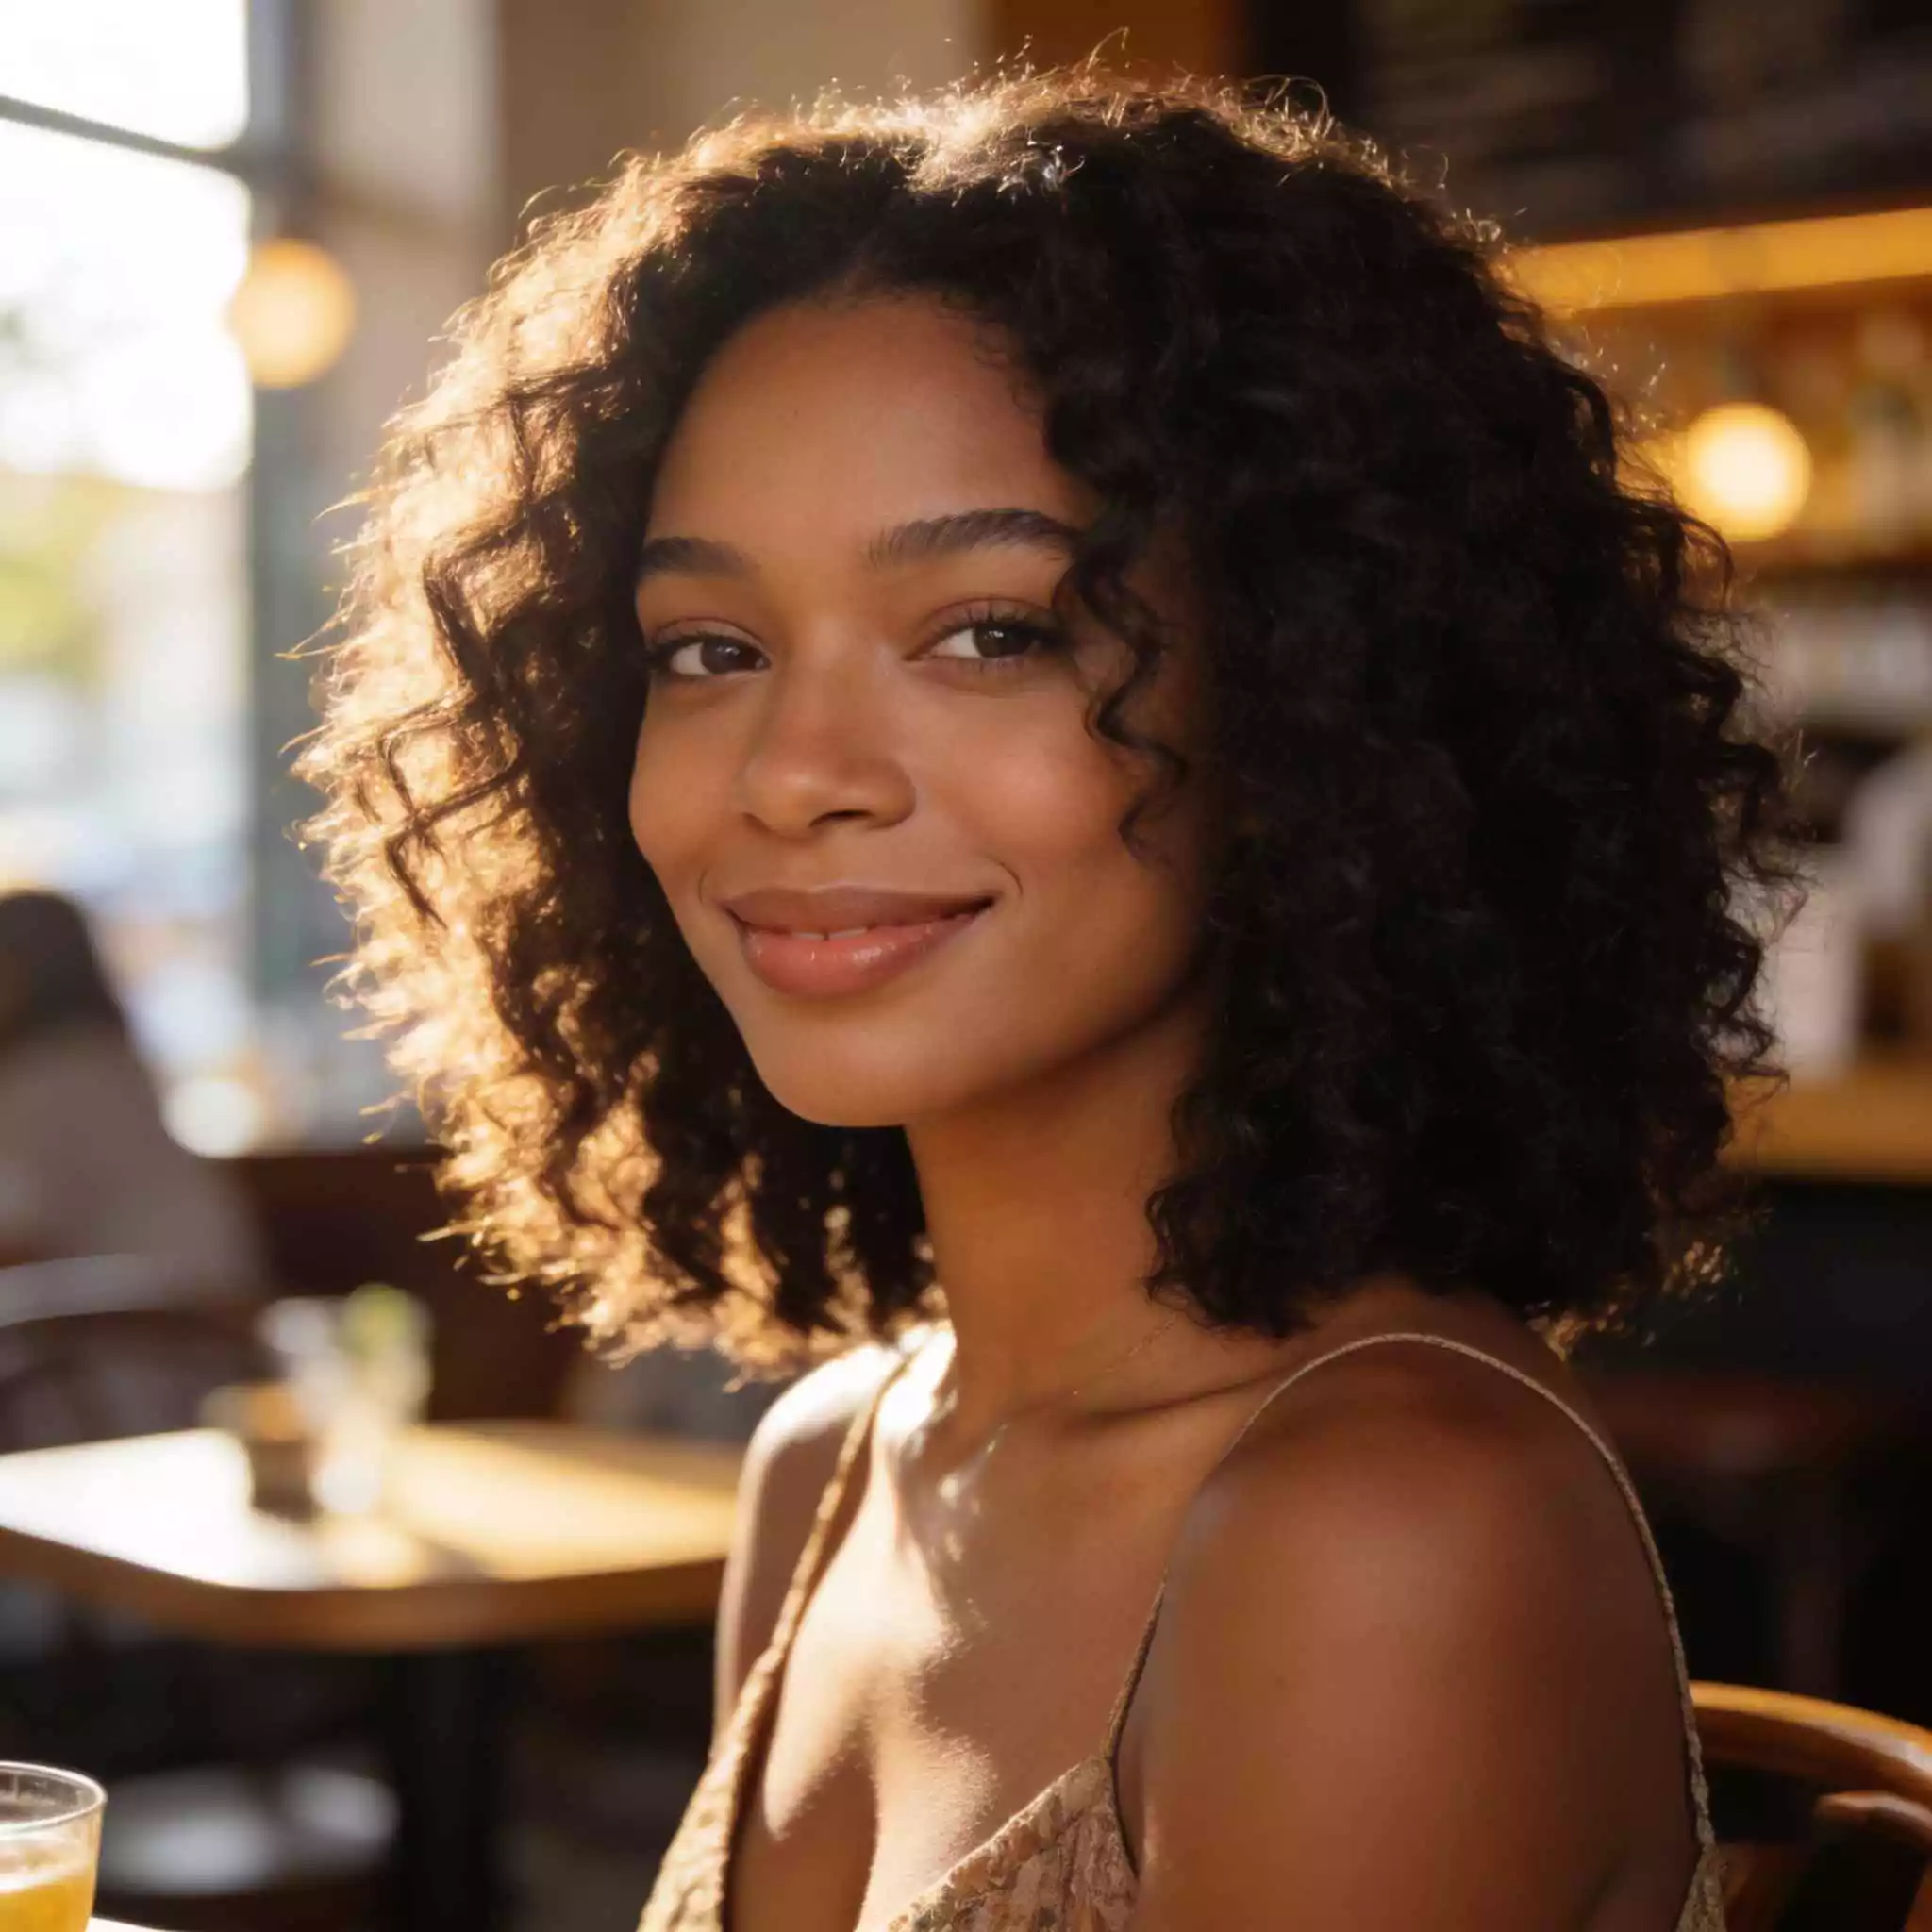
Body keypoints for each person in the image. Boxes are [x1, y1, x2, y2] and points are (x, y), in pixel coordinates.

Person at [299, 67, 1793, 1931]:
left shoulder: (1389, 1534)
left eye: (990, 631)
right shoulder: (834, 1459)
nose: (792, 770)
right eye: (710, 648)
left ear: (1315, 698)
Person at [0, 890, 263, 1293]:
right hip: (210, 1318)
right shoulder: (113, 1062)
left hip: (129, 1331)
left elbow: (17, 1241)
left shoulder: (43, 1080)